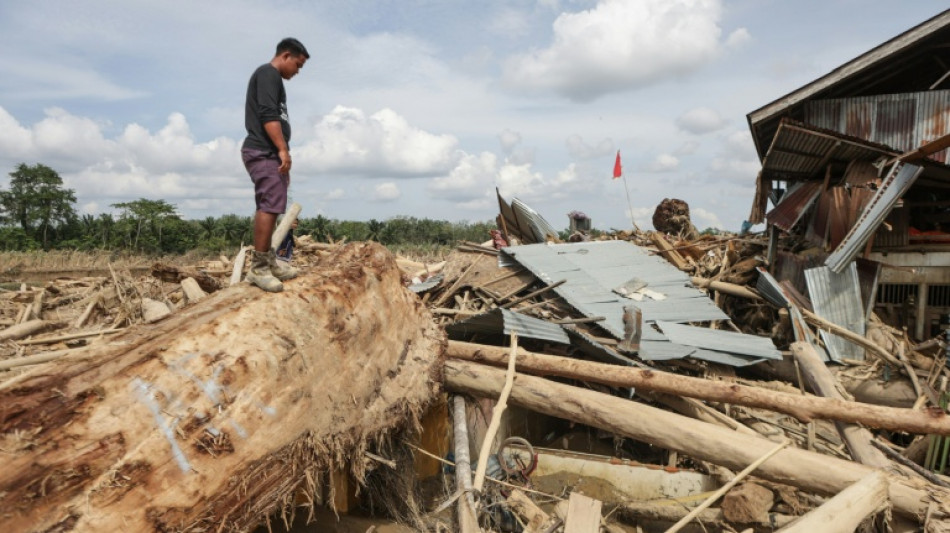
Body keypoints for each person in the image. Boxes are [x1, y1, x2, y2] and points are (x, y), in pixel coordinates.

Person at [241, 37, 309, 292]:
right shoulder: (268, 74)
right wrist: (282, 149)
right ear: (286, 55)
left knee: (273, 205)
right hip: (263, 149)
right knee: (269, 207)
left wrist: (282, 152)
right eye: (298, 65)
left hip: (269, 152)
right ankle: (258, 268)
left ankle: (268, 261)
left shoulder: (274, 79)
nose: (298, 71)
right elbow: (268, 115)